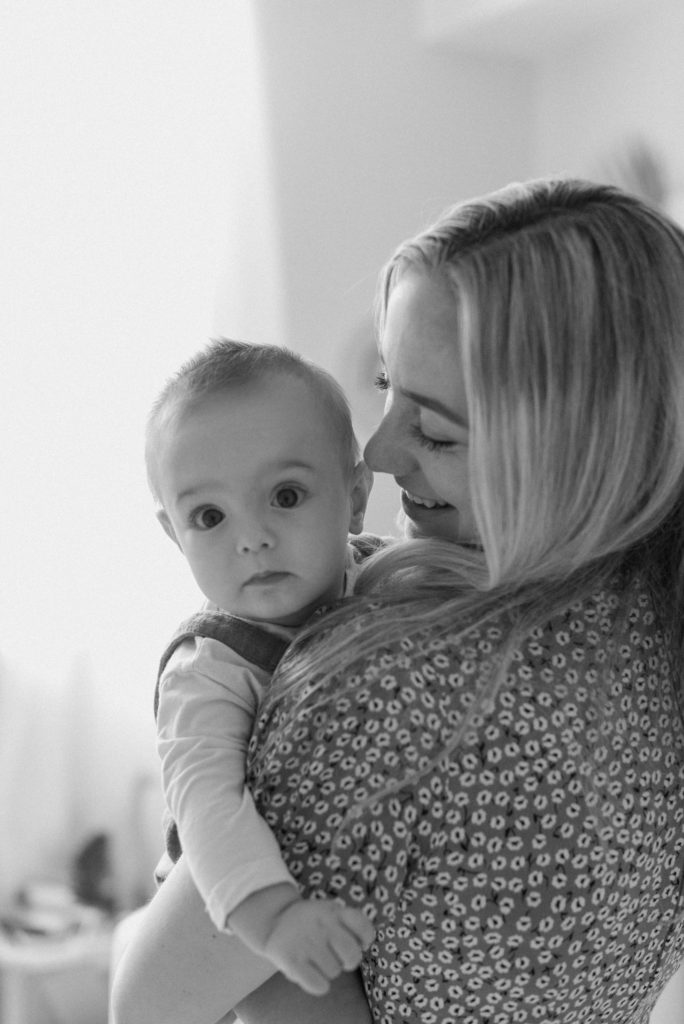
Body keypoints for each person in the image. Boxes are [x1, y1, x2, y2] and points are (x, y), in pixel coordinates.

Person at [111, 177, 684, 1024]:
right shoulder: (655, 628)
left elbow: (147, 1001)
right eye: (386, 385)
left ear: (574, 453)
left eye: (436, 430)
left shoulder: (389, 692)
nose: (376, 453)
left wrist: (130, 935)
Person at [143, 339, 377, 1001]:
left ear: (355, 496)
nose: (251, 538)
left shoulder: (385, 576)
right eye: (209, 516)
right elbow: (207, 806)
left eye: (286, 494)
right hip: (234, 914)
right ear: (174, 535)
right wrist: (273, 918)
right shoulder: (209, 667)